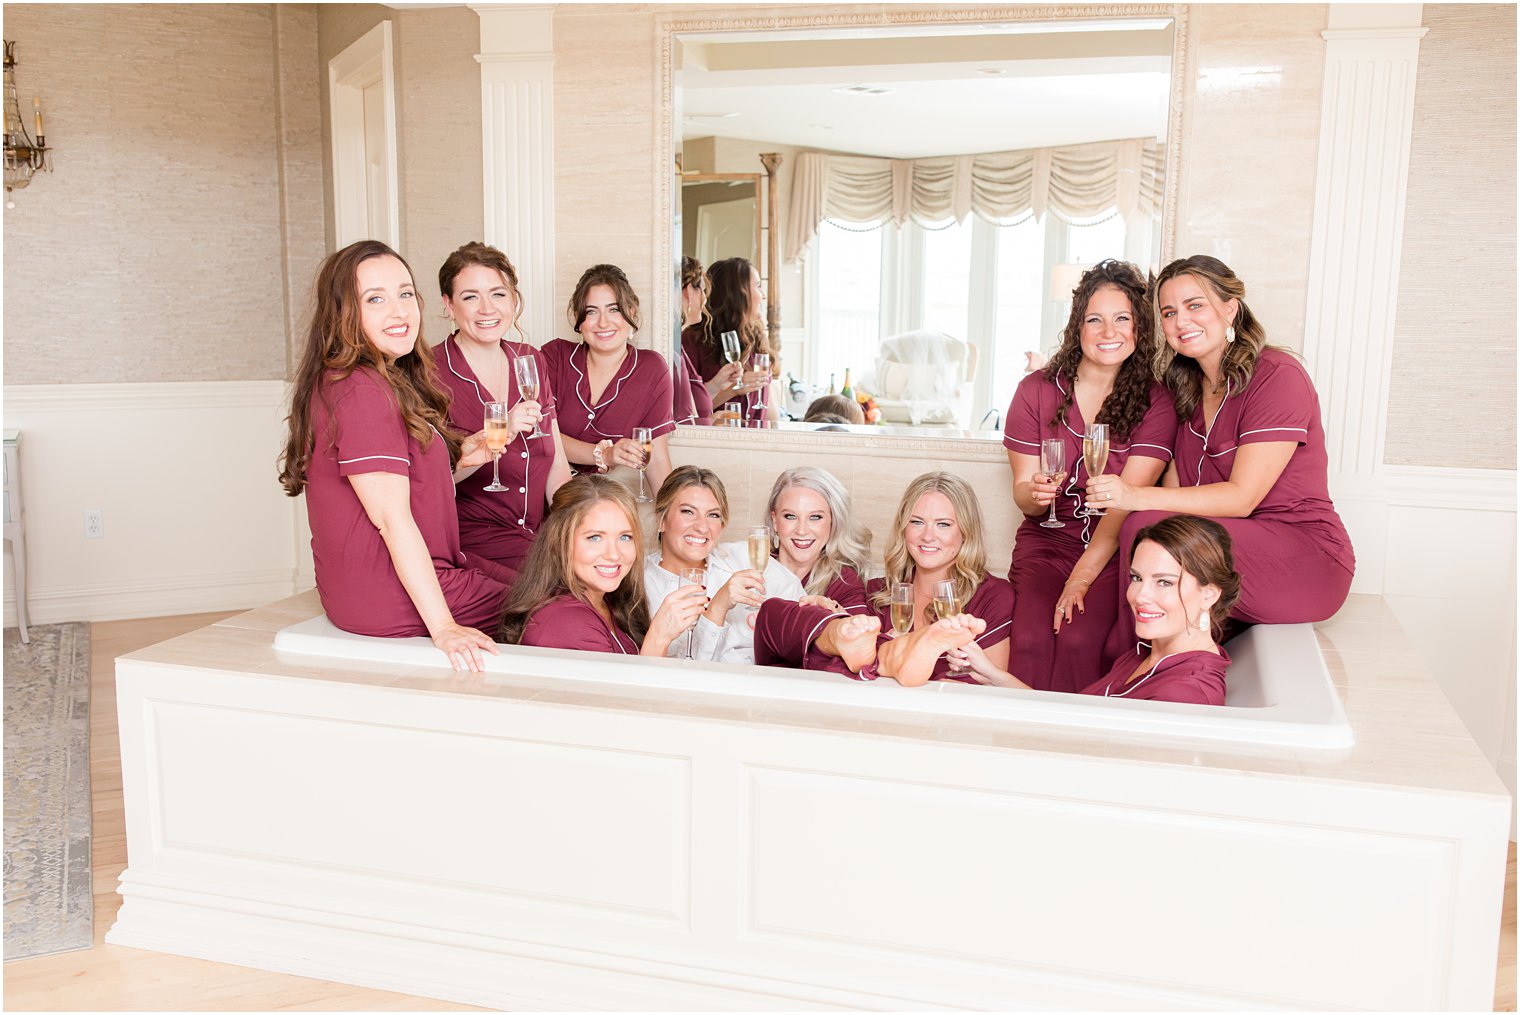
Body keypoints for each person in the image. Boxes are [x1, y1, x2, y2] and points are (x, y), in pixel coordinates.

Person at [1087, 255, 1355, 655]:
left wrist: (1132, 495)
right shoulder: (1187, 390)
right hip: (1223, 551)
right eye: (1169, 312)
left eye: (1195, 305)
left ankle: (1130, 673)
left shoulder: (1278, 376)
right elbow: (1176, 495)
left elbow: (1241, 498)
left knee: (1145, 524)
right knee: (1145, 533)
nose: (1181, 322)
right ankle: (1133, 667)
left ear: (1230, 309)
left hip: (1306, 558)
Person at [277, 240, 504, 671]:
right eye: (375, 299)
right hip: (388, 594)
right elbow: (391, 518)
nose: (399, 311)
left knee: (539, 578)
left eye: (404, 294)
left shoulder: (360, 378)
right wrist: (444, 628)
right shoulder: (363, 391)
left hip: (369, 587)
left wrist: (459, 461)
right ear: (345, 314)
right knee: (555, 600)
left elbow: (400, 490)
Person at [1003, 260, 1178, 693]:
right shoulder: (1036, 391)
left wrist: (1081, 577)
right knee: (1028, 638)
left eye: (1122, 319)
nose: (1108, 332)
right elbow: (1023, 496)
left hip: (1115, 549)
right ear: (1076, 327)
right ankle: (1016, 741)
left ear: (1139, 329)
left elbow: (1126, 502)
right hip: (1046, 542)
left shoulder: (1157, 403)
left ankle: (1074, 748)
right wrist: (1036, 494)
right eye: (1094, 319)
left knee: (1081, 640)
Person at [753, 472, 1013, 687]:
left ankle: (895, 654)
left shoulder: (992, 597)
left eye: (943, 524)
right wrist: (833, 617)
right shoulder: (878, 593)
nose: (928, 536)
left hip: (948, 722)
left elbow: (990, 692)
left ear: (966, 531)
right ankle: (859, 640)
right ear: (903, 527)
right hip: (881, 713)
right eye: (917, 522)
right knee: (780, 613)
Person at [949, 515, 1238, 706]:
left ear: (1209, 594)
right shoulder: (1147, 655)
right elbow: (1077, 723)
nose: (1140, 596)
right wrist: (991, 672)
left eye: (1164, 582)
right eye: (1137, 578)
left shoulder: (1183, 694)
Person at [433, 241, 572, 572]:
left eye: (498, 294)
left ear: (513, 299)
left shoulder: (530, 359)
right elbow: (433, 479)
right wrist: (501, 431)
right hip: (471, 541)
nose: (487, 309)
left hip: (537, 536)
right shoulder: (428, 370)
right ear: (449, 305)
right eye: (470, 297)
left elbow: (557, 465)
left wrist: (575, 528)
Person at [498, 475, 706, 655]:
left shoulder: (609, 603)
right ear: (560, 542)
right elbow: (625, 699)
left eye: (625, 537)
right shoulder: (565, 621)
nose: (614, 554)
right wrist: (659, 637)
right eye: (595, 537)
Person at [643, 466, 805, 663]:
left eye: (713, 515)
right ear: (661, 521)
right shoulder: (641, 587)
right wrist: (718, 607)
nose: (702, 527)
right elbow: (683, 674)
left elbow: (798, 603)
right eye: (688, 512)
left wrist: (814, 610)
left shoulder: (744, 556)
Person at [541, 264, 676, 492]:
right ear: (578, 318)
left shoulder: (652, 369)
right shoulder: (554, 358)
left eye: (614, 310)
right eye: (592, 311)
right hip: (548, 495)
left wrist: (672, 516)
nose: (603, 323)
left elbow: (658, 460)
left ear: (631, 312)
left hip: (608, 502)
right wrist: (604, 454)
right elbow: (543, 435)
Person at [681, 256, 775, 424]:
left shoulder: (757, 337)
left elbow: (770, 409)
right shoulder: (693, 341)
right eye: (758, 286)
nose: (764, 295)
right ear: (738, 293)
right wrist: (734, 390)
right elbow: (691, 412)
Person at [766, 466, 871, 610]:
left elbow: (859, 630)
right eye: (790, 516)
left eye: (815, 517)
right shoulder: (749, 566)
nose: (802, 530)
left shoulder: (844, 584)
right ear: (775, 521)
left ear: (833, 522)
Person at [673, 255, 717, 425]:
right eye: (703, 290)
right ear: (689, 291)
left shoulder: (678, 347)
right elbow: (683, 421)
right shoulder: (673, 352)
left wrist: (712, 420)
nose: (705, 300)